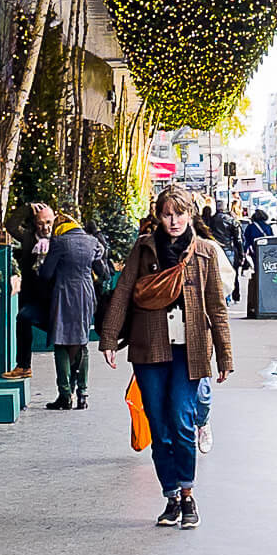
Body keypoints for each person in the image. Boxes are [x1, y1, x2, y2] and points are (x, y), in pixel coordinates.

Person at [99, 185, 233, 529]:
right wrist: (109, 339)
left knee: (182, 420)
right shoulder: (143, 249)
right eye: (167, 214)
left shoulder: (205, 252)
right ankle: (170, 495)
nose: (173, 221)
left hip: (191, 350)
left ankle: (188, 495)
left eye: (179, 213)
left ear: (190, 214)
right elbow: (124, 291)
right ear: (158, 216)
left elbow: (217, 307)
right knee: (158, 425)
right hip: (149, 347)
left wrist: (224, 356)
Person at [40, 213, 106, 410]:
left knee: (61, 343)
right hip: (85, 294)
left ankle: (65, 395)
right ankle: (83, 395)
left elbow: (46, 274)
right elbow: (102, 271)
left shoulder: (59, 242)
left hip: (64, 293)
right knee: (82, 341)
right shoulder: (92, 241)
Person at [191, 214, 235, 454]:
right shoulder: (158, 248)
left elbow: (226, 284)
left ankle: (202, 422)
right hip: (168, 334)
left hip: (200, 332)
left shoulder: (208, 249)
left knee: (202, 393)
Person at [1, 201, 55, 380]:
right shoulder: (28, 238)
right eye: (41, 223)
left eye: (48, 222)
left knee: (67, 339)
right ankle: (24, 366)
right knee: (23, 319)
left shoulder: (59, 240)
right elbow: (10, 226)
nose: (45, 227)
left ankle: (74, 385)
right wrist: (26, 208)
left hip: (55, 298)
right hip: (32, 296)